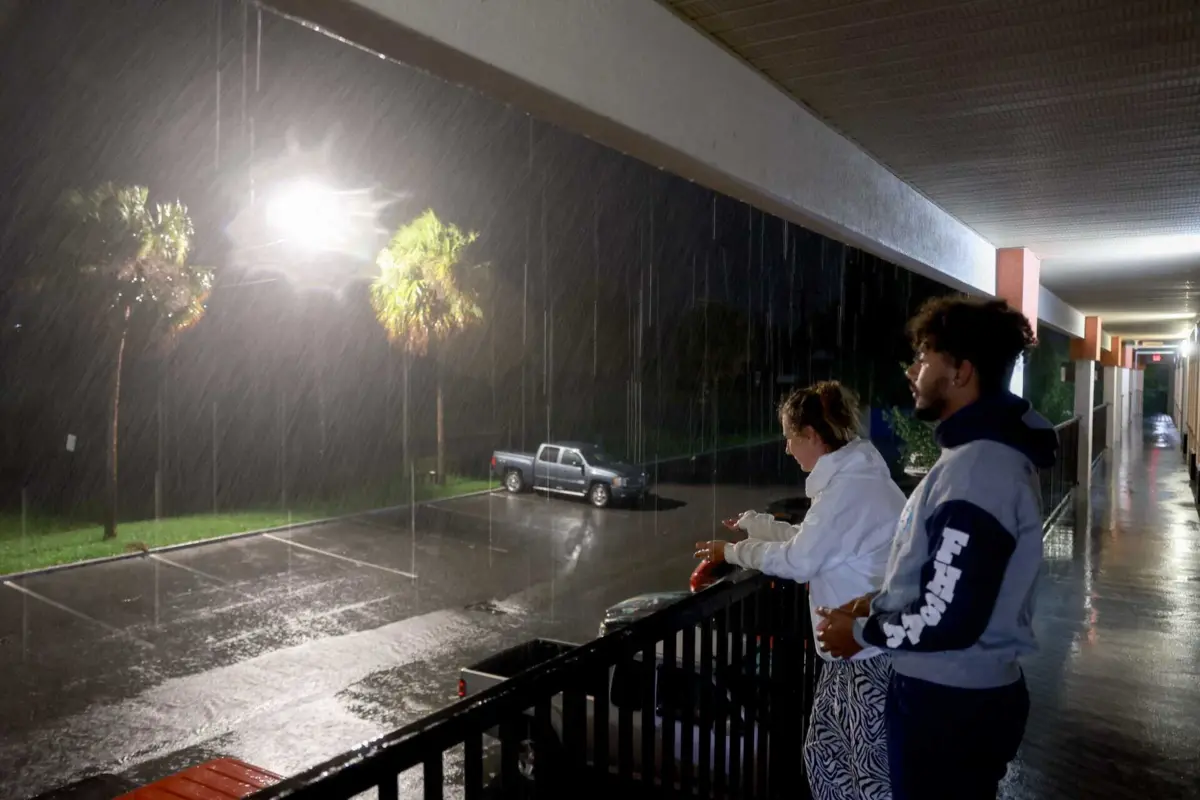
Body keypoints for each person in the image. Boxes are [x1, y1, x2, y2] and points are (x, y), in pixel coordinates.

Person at [816, 297, 1057, 800]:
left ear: (961, 372)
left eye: (924, 358)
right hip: (961, 694)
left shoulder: (978, 471)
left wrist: (861, 633)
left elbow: (949, 617)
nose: (912, 371)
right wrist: (879, 602)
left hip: (949, 703)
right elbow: (952, 578)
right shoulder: (980, 459)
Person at [694, 381, 905, 800]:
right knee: (825, 756)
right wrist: (757, 525)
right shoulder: (853, 478)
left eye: (790, 438)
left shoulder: (849, 489)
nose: (788, 449)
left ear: (811, 435)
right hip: (854, 651)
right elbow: (813, 542)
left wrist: (733, 551)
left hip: (868, 656)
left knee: (869, 775)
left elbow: (800, 560)